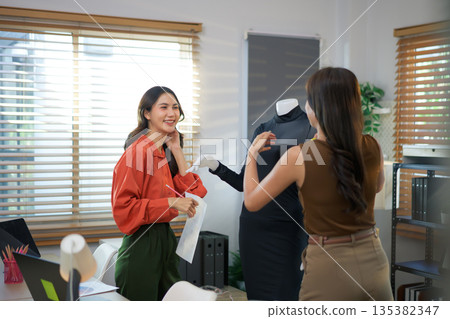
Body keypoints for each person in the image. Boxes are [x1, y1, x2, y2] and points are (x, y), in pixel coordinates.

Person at [243, 67, 393, 301]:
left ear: (316, 109)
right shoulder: (372, 145)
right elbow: (377, 186)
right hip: (374, 260)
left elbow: (252, 201)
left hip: (330, 265)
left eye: (308, 101)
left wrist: (252, 155)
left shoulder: (300, 155)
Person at [191, 98, 315, 300]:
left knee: (287, 298)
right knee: (256, 298)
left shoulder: (309, 128)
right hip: (253, 228)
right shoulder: (263, 129)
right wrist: (215, 165)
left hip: (287, 230)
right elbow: (244, 183)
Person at [111, 86, 207, 301]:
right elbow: (123, 210)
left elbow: (195, 193)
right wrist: (171, 203)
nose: (171, 113)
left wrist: (177, 150)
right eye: (163, 107)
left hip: (165, 239)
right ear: (147, 113)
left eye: (175, 107)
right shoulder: (136, 152)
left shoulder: (163, 151)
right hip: (142, 244)